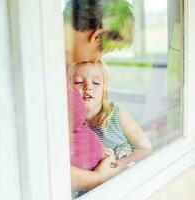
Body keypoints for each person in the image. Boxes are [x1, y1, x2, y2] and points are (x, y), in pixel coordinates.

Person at [63, 0, 135, 191]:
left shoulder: (63, 68)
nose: (97, 60)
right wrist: (98, 177)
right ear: (97, 36)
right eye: (102, 52)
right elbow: (41, 160)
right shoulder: (42, 70)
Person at [69, 61, 152, 171]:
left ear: (104, 89)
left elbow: (145, 148)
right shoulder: (70, 124)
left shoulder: (116, 113)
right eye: (78, 82)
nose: (88, 87)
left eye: (96, 82)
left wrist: (121, 163)